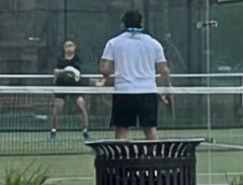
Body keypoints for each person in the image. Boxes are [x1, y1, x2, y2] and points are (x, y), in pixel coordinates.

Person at [99, 10, 172, 140]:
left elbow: (105, 70)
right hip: (148, 93)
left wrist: (112, 75)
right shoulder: (154, 43)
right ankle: (155, 158)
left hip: (124, 93)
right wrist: (167, 90)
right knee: (150, 130)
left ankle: (122, 159)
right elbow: (164, 71)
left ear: (123, 23)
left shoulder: (114, 43)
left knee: (121, 130)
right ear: (141, 23)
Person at [48, 37, 91, 140]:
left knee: (81, 105)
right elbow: (56, 73)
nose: (69, 48)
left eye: (71, 46)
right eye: (66, 46)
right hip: (61, 85)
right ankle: (53, 132)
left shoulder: (78, 60)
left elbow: (79, 73)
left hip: (75, 86)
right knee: (58, 107)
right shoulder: (60, 60)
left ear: (75, 47)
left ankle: (85, 132)